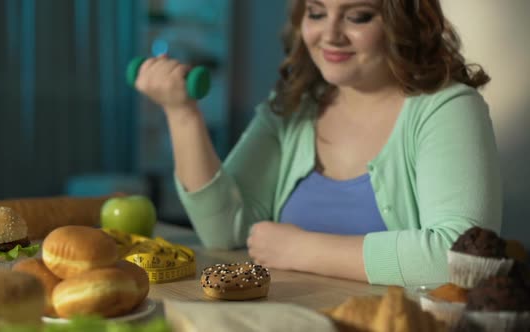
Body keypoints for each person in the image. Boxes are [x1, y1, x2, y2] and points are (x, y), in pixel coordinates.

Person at [133, 0, 502, 286]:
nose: (330, 35)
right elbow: (223, 232)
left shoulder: (447, 109)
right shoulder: (293, 108)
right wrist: (182, 114)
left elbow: (461, 260)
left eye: (357, 16)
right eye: (316, 12)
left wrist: (301, 249)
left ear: (404, 22)